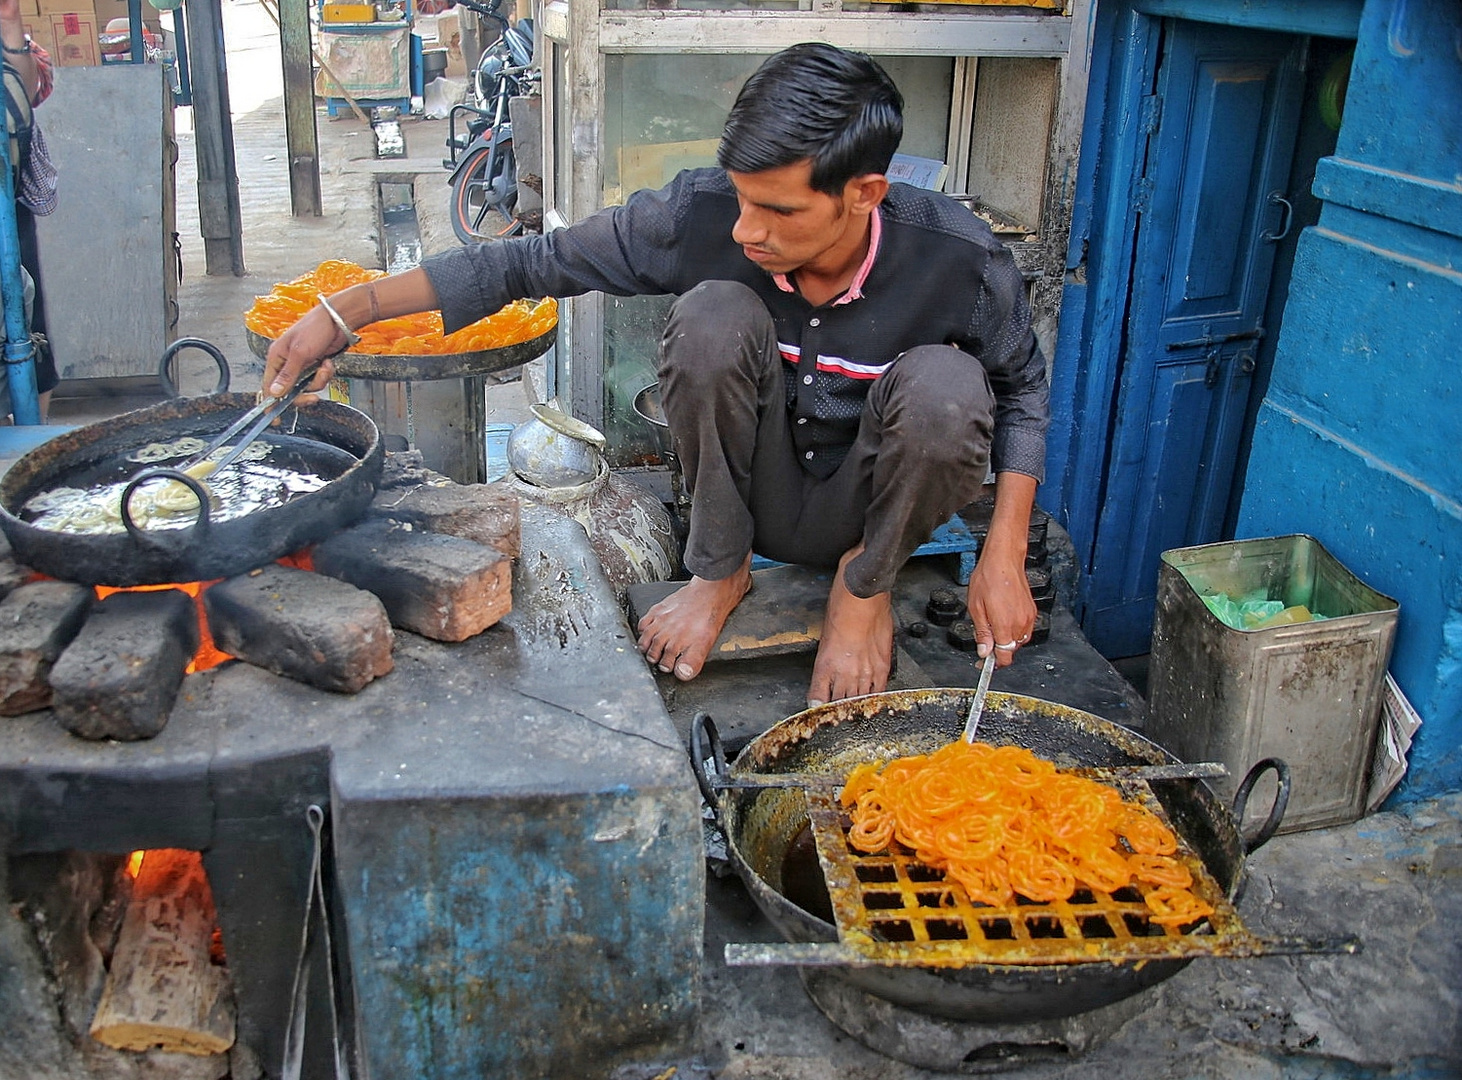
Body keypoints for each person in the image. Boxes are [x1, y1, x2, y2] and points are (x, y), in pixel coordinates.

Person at [265, 43, 1048, 708]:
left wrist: (1003, 554)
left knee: (951, 386)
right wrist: (347, 310)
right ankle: (721, 570)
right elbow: (532, 262)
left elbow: (1022, 391)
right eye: (742, 200)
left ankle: (863, 587)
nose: (748, 230)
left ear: (863, 194)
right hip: (750, 496)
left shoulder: (958, 258)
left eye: (778, 211)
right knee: (712, 315)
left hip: (874, 509)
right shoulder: (701, 216)